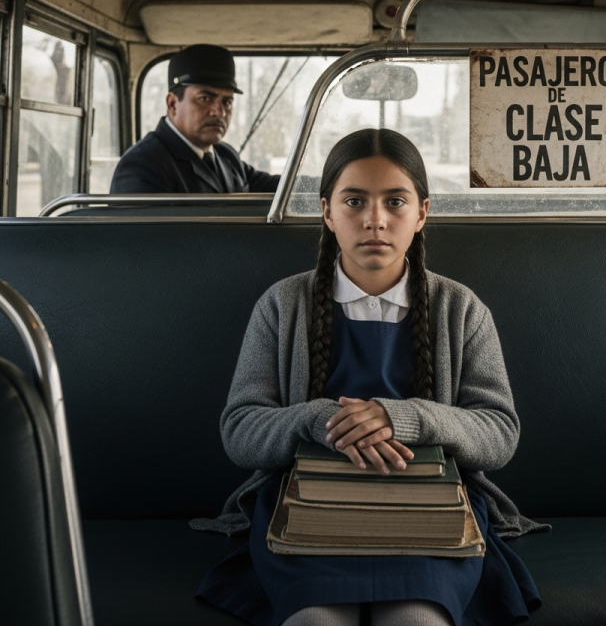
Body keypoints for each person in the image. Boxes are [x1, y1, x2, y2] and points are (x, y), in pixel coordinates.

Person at [191, 128, 552, 626]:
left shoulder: (461, 309)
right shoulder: (282, 305)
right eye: (355, 201)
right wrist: (321, 422)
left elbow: (499, 432)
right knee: (314, 620)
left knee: (416, 620)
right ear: (327, 211)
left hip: (431, 516)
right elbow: (240, 430)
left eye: (395, 202)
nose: (374, 221)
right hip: (305, 512)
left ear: (422, 213)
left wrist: (402, 419)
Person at [110, 44, 280, 194]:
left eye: (227, 102)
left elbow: (280, 188)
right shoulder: (143, 165)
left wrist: (306, 187)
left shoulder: (225, 155)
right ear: (172, 104)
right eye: (205, 99)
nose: (219, 112)